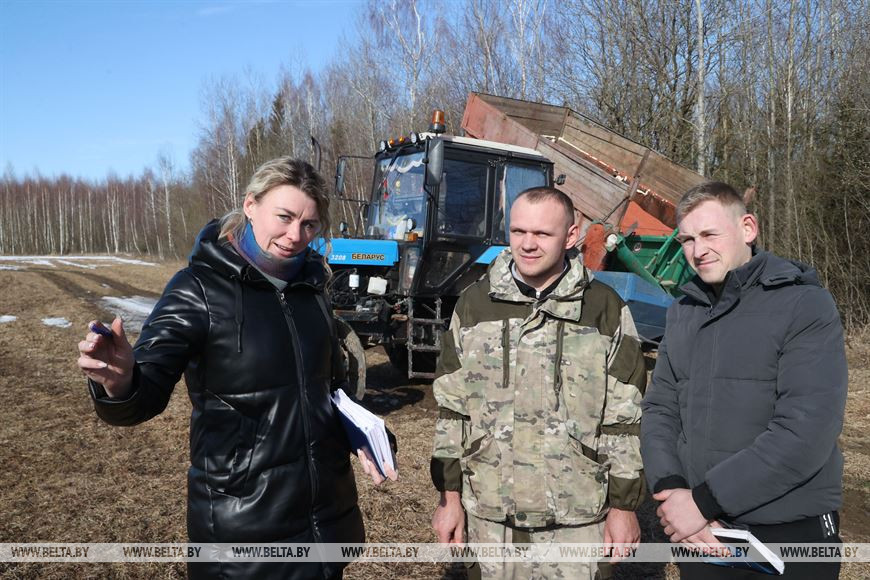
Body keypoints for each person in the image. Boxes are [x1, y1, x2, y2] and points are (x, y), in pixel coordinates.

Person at [76, 157, 396, 580]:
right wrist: (121, 382)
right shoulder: (198, 289)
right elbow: (143, 396)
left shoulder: (312, 286)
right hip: (244, 532)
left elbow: (327, 386)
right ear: (250, 205)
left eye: (310, 225)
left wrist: (360, 430)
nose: (295, 236)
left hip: (324, 527)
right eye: (284, 217)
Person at [430, 187, 647, 579]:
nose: (527, 244)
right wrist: (449, 499)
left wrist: (624, 507)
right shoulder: (473, 306)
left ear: (570, 236)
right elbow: (451, 409)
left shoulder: (604, 309)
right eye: (518, 232)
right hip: (491, 515)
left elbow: (625, 419)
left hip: (577, 520)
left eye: (542, 234)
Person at [640, 182, 847, 579]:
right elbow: (660, 410)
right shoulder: (683, 312)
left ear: (747, 229)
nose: (697, 250)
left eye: (709, 235)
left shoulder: (804, 305)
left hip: (786, 530)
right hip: (702, 535)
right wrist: (671, 491)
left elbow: (805, 432)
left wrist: (701, 502)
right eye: (686, 239)